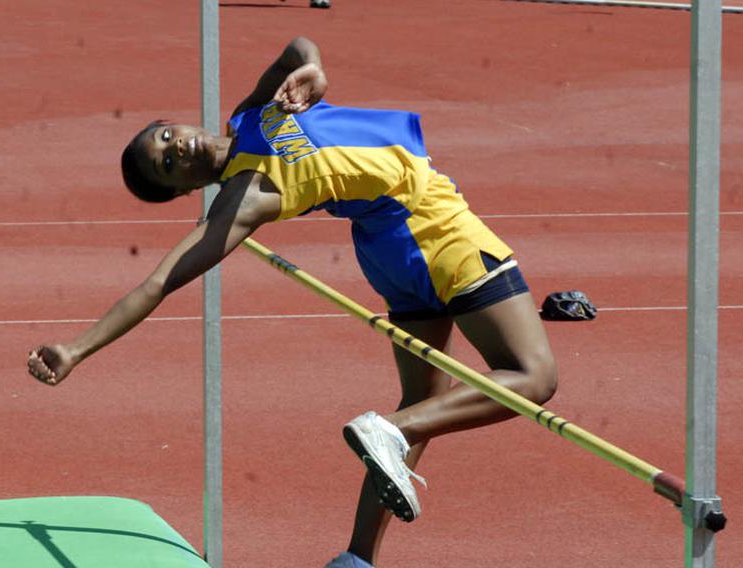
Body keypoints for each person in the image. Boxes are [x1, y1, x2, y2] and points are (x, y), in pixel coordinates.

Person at [27, 36, 557, 568]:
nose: (176, 148)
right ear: (183, 189)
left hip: (388, 248)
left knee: (422, 402)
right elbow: (159, 282)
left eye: (167, 136)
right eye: (167, 164)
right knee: (532, 377)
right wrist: (76, 349)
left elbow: (296, 46)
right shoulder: (240, 203)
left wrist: (312, 68)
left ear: (179, 122)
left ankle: (356, 559)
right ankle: (390, 433)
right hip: (433, 227)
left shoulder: (250, 113)